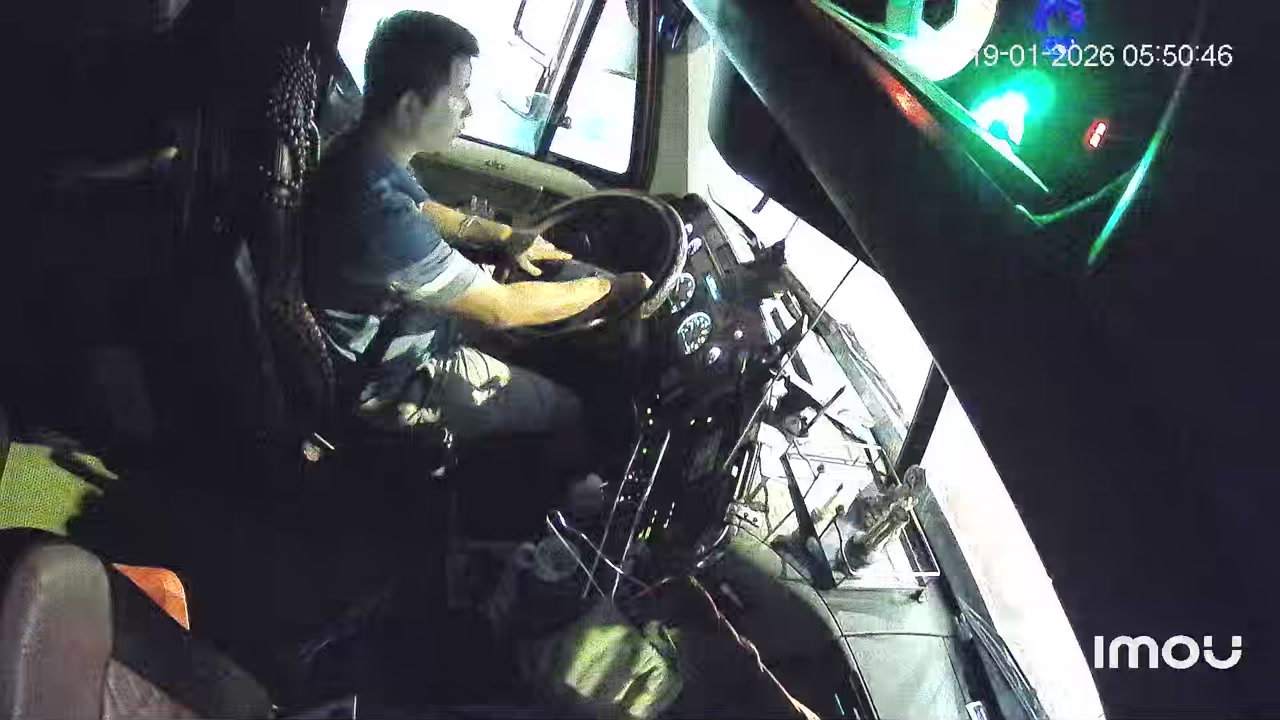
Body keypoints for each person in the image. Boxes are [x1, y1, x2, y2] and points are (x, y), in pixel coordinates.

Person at [302, 10, 644, 458]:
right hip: (391, 378)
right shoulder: (377, 209)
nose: (469, 108)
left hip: (401, 327)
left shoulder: (361, 154)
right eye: (460, 92)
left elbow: (430, 211)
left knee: (523, 342)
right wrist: (608, 289)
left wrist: (504, 235)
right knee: (565, 407)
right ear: (410, 107)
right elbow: (503, 309)